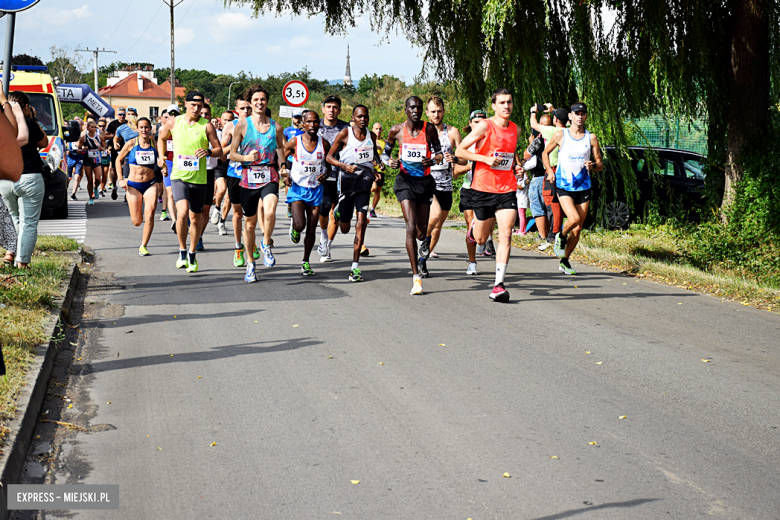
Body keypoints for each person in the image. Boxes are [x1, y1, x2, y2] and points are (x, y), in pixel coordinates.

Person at [455, 88, 523, 302]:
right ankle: (473, 230)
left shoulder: (515, 129)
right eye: (502, 102)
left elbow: (510, 154)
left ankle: (498, 285)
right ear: (493, 106)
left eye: (509, 102)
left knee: (506, 234)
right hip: (483, 188)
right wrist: (484, 159)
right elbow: (460, 151)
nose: (506, 106)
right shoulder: (485, 126)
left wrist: (517, 167)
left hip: (506, 189)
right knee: (481, 239)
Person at [382, 96, 443, 295]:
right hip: (405, 182)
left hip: (424, 183)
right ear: (406, 110)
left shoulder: (430, 129)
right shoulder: (396, 130)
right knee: (409, 227)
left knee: (420, 232)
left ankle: (425, 240)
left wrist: (432, 160)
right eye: (412, 107)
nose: (415, 110)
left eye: (418, 107)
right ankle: (416, 277)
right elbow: (385, 154)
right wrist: (389, 162)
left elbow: (439, 153)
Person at [157, 91, 222, 273]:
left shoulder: (207, 126)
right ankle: (182, 250)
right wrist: (161, 157)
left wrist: (208, 152)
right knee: (182, 213)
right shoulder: (174, 122)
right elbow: (161, 139)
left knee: (195, 218)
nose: (196, 108)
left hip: (199, 179)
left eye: (200, 105)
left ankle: (192, 253)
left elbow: (220, 150)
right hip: (178, 176)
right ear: (185, 104)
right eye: (193, 104)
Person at [228, 84, 285, 281]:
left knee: (270, 210)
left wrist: (283, 166)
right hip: (248, 177)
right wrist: (245, 158)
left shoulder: (276, 127)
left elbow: (280, 149)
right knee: (250, 224)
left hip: (269, 174)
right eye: (255, 100)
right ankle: (251, 264)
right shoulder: (243, 125)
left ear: (267, 102)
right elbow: (232, 153)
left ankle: (267, 244)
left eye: (262, 99)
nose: (259, 103)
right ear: (250, 103)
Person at [542, 102, 604, 275]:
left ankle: (565, 261)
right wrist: (549, 171)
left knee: (577, 228)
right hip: (564, 186)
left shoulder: (591, 137)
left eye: (583, 113)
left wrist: (594, 165)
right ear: (570, 116)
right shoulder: (561, 135)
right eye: (576, 113)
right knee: (574, 219)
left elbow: (600, 164)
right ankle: (560, 235)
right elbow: (544, 153)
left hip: (584, 187)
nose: (579, 116)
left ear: (585, 117)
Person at [326, 105, 381, 282]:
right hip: (347, 184)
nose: (363, 119)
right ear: (353, 118)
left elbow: (375, 158)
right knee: (344, 228)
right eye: (359, 117)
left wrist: (378, 169)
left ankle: (355, 267)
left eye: (365, 116)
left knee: (361, 221)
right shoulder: (345, 134)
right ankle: (339, 211)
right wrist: (344, 166)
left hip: (364, 185)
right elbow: (329, 157)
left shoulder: (371, 137)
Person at [0, 91, 48, 269]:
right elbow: (43, 142)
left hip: (5, 180)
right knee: (28, 223)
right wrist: (33, 119)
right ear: (26, 107)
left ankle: (10, 254)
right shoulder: (28, 122)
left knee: (15, 219)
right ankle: (23, 262)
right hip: (29, 178)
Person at [280, 110, 330, 277]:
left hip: (315, 189)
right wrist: (284, 172)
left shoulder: (325, 144)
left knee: (311, 227)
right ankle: (294, 227)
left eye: (316, 122)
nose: (313, 125)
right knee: (300, 225)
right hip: (298, 189)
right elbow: (280, 157)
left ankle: (305, 261)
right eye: (309, 122)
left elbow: (329, 164)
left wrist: (327, 174)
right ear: (303, 123)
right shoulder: (295, 142)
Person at [421, 96, 465, 261]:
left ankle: (423, 258)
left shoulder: (452, 132)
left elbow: (463, 158)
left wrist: (454, 159)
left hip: (445, 184)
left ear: (444, 112)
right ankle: (423, 240)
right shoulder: (421, 132)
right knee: (434, 215)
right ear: (427, 113)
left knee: (438, 224)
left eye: (439, 111)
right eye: (433, 111)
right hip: (426, 182)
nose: (436, 115)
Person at [221, 95, 258, 267]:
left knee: (252, 213)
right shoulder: (230, 125)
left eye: (248, 108)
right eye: (242, 108)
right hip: (235, 174)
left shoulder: (259, 124)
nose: (246, 111)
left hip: (253, 174)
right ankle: (238, 247)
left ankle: (252, 241)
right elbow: (221, 151)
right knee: (237, 213)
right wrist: (235, 143)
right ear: (237, 110)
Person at [115, 117, 159, 256]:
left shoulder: (155, 143)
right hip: (133, 185)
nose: (144, 130)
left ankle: (143, 245)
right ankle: (142, 238)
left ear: (150, 128)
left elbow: (163, 158)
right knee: (137, 221)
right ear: (137, 129)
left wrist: (163, 167)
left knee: (150, 214)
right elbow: (118, 160)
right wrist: (121, 179)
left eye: (146, 127)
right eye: (141, 127)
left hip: (150, 183)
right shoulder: (131, 143)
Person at [316, 95, 350, 263]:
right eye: (328, 106)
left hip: (340, 175)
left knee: (335, 214)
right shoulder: (315, 126)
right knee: (323, 208)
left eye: (335, 107)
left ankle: (327, 246)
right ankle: (323, 237)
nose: (331, 110)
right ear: (323, 109)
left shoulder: (346, 128)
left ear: (340, 110)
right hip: (319, 175)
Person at [530, 104, 567, 250]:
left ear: (555, 120)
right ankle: (556, 234)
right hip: (566, 171)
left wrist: (533, 111)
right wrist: (554, 111)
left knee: (552, 203)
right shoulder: (570, 130)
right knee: (561, 203)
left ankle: (554, 235)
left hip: (553, 170)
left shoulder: (553, 131)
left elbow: (533, 123)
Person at [455, 109, 487, 275]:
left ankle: (484, 239)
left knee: (482, 228)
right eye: (476, 122)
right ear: (470, 123)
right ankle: (472, 262)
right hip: (469, 189)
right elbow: (455, 171)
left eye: (482, 121)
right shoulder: (466, 143)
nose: (479, 125)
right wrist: (471, 164)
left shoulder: (492, 141)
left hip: (488, 189)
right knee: (471, 227)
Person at [196, 103, 219, 252]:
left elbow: (220, 151)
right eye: (202, 114)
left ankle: (198, 236)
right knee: (192, 210)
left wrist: (209, 152)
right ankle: (191, 231)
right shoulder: (192, 129)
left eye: (207, 114)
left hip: (209, 172)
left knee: (205, 209)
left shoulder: (214, 131)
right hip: (193, 172)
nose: (204, 116)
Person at [211, 110, 235, 235]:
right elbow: (220, 155)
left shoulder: (237, 132)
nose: (227, 122)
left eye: (230, 120)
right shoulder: (218, 134)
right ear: (221, 120)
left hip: (234, 166)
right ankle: (217, 208)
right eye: (225, 120)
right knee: (221, 189)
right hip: (221, 165)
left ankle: (222, 222)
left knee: (229, 199)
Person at [78, 119, 107, 206]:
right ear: (87, 128)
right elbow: (78, 150)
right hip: (87, 160)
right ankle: (91, 197)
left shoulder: (99, 137)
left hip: (97, 159)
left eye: (95, 127)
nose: (94, 129)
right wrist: (83, 149)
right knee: (89, 180)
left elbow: (104, 147)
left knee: (98, 178)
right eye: (92, 127)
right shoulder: (84, 138)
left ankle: (96, 188)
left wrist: (102, 149)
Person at [283, 108, 305, 219]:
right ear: (292, 118)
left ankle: (298, 202)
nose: (297, 119)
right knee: (289, 183)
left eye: (299, 117)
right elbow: (283, 144)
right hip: (290, 160)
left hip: (300, 161)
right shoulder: (287, 130)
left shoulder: (305, 130)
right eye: (295, 117)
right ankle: (289, 204)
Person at [157, 108, 177, 224]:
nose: (172, 117)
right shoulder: (161, 130)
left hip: (180, 162)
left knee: (176, 192)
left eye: (176, 114)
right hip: (167, 161)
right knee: (169, 192)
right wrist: (161, 160)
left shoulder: (181, 127)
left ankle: (180, 216)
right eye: (169, 115)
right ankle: (173, 219)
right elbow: (159, 143)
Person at [106, 108, 127, 201]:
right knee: (114, 170)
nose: (122, 116)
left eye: (123, 114)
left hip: (127, 149)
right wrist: (115, 135)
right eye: (120, 114)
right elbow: (105, 135)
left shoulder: (128, 124)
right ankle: (114, 186)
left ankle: (127, 192)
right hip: (116, 149)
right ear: (117, 115)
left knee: (126, 170)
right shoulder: (113, 124)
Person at [368, 121, 385, 218]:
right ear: (373, 129)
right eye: (376, 129)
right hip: (370, 168)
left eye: (380, 129)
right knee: (373, 188)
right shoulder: (369, 140)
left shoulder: (384, 141)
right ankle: (361, 201)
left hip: (381, 169)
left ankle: (373, 209)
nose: (378, 131)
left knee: (378, 190)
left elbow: (387, 155)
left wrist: (389, 161)